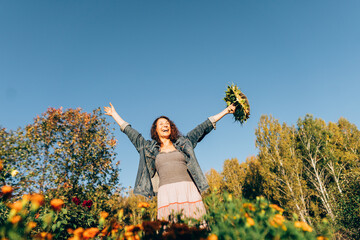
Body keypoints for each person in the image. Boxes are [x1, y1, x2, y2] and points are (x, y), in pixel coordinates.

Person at [104, 103, 236, 220]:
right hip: (166, 193)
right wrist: (114, 114)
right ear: (155, 130)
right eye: (161, 124)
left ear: (171, 127)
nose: (165, 125)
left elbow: (203, 127)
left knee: (195, 228)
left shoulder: (184, 142)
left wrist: (226, 111)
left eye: (167, 123)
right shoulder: (148, 148)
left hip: (188, 190)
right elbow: (131, 133)